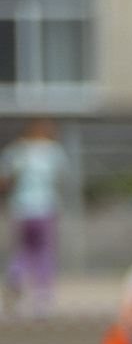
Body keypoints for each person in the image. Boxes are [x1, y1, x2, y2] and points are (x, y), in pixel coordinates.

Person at [3, 117, 69, 316]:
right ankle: (42, 295)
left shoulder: (16, 150)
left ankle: (15, 275)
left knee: (23, 247)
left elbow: (5, 180)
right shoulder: (53, 151)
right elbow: (62, 177)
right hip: (45, 206)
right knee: (44, 250)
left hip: (21, 208)